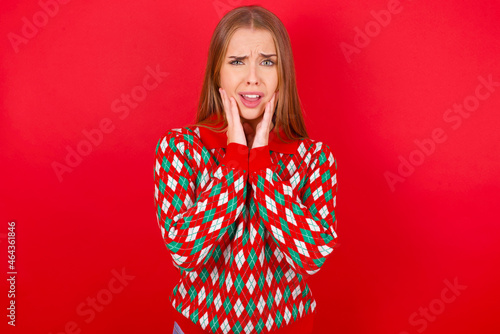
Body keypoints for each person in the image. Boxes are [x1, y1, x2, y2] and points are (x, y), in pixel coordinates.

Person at [153, 5, 339, 334]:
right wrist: (237, 158)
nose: (253, 76)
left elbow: (312, 256)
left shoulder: (315, 157)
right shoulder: (180, 148)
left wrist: (263, 162)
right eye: (237, 62)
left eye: (267, 61)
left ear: (284, 74)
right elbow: (183, 251)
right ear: (217, 73)